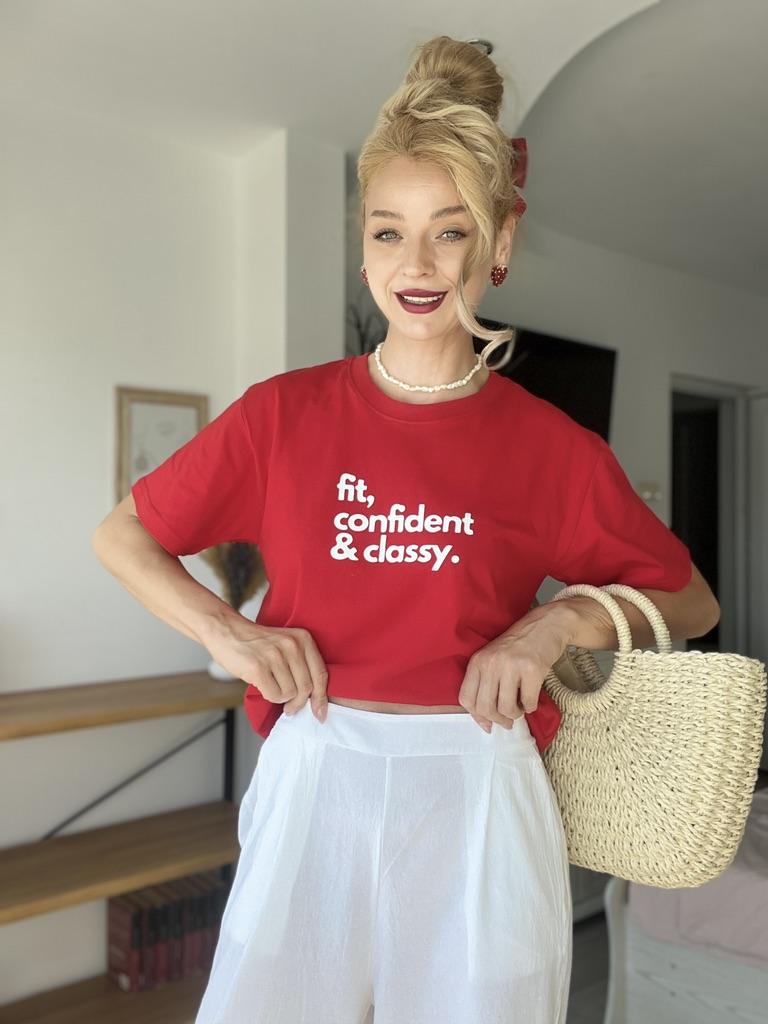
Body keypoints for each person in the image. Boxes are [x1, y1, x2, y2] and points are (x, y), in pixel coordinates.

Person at [93, 34, 717, 1024]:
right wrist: (232, 634)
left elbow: (690, 600)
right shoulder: (283, 416)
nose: (415, 265)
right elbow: (124, 534)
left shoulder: (552, 448)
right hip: (315, 775)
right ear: (364, 247)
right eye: (389, 232)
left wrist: (557, 624)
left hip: (482, 791)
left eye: (449, 232)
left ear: (499, 244)